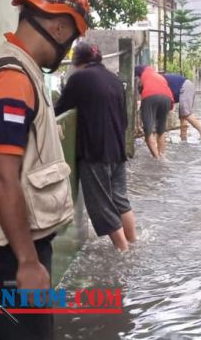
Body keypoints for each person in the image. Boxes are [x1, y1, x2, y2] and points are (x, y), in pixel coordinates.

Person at [0, 0, 90, 340]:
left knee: (12, 329)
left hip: (15, 242)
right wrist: (27, 261)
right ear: (58, 25)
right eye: (72, 36)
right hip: (10, 248)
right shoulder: (12, 81)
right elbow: (4, 177)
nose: (68, 48)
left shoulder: (21, 71)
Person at [55, 43, 137, 251]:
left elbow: (58, 109)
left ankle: (123, 250)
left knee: (101, 205)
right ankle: (133, 242)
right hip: (117, 151)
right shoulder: (115, 80)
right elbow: (125, 119)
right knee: (120, 199)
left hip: (95, 152)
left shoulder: (79, 79)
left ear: (76, 61)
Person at [134, 65, 174, 159]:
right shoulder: (158, 76)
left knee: (148, 131)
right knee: (161, 130)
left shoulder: (141, 74)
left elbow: (138, 87)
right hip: (167, 98)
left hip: (150, 96)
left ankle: (157, 159)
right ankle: (162, 156)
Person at [163, 73, 201, 141]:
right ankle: (183, 138)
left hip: (184, 86)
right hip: (183, 87)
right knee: (182, 116)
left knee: (186, 114)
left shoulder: (156, 82)